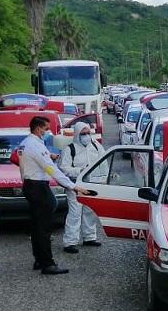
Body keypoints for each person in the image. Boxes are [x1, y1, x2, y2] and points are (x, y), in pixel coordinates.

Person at [19, 116, 91, 275]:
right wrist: (72, 186)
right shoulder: (35, 146)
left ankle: (39, 259)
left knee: (37, 227)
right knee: (44, 229)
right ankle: (47, 264)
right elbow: (51, 169)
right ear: (38, 128)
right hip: (38, 187)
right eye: (46, 128)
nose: (48, 132)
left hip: (30, 185)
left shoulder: (25, 143)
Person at [56, 124, 104, 253]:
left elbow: (104, 162)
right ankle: (70, 242)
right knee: (75, 213)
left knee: (90, 212)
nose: (86, 136)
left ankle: (90, 237)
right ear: (77, 134)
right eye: (83, 134)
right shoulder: (69, 149)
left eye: (88, 133)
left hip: (92, 184)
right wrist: (80, 171)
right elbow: (63, 168)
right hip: (75, 186)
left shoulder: (96, 146)